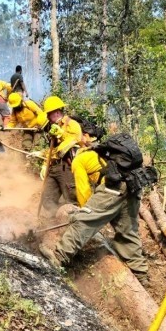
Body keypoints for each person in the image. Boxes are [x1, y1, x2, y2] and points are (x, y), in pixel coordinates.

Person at [39, 128, 149, 284]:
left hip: (114, 187)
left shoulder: (79, 161)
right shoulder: (97, 153)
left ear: (69, 154)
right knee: (128, 230)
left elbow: (83, 191)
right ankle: (140, 274)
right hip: (134, 185)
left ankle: (59, 257)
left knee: (85, 220)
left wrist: (84, 213)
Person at [29, 96, 82, 218]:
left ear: (57, 112)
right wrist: (42, 154)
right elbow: (54, 150)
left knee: (71, 199)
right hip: (54, 167)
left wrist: (61, 134)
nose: (48, 117)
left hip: (67, 166)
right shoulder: (52, 127)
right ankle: (55, 222)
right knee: (47, 199)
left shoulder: (71, 124)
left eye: (49, 114)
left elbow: (75, 140)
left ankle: (72, 225)